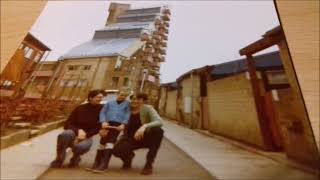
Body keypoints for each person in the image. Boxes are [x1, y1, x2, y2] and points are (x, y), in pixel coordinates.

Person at [50, 90, 104, 168]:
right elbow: (67, 124)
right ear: (91, 98)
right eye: (98, 97)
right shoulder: (80, 108)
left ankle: (76, 158)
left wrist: (86, 135)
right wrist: (78, 130)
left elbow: (99, 127)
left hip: (87, 136)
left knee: (81, 147)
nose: (100, 99)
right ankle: (59, 160)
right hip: (74, 132)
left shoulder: (102, 110)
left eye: (101, 97)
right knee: (64, 135)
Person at [113, 93, 164, 175]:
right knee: (116, 150)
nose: (135, 101)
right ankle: (128, 158)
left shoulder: (148, 108)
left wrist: (144, 126)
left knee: (158, 131)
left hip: (147, 137)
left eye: (138, 99)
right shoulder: (127, 108)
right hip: (130, 137)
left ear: (143, 101)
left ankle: (148, 165)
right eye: (133, 99)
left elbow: (159, 122)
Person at [88, 90, 130, 173]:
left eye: (124, 96)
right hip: (107, 124)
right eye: (121, 95)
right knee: (102, 142)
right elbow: (102, 112)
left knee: (110, 142)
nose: (122, 97)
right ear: (117, 94)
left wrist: (123, 124)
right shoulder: (109, 103)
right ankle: (97, 163)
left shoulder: (127, 104)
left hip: (117, 126)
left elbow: (127, 114)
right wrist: (103, 121)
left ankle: (104, 164)